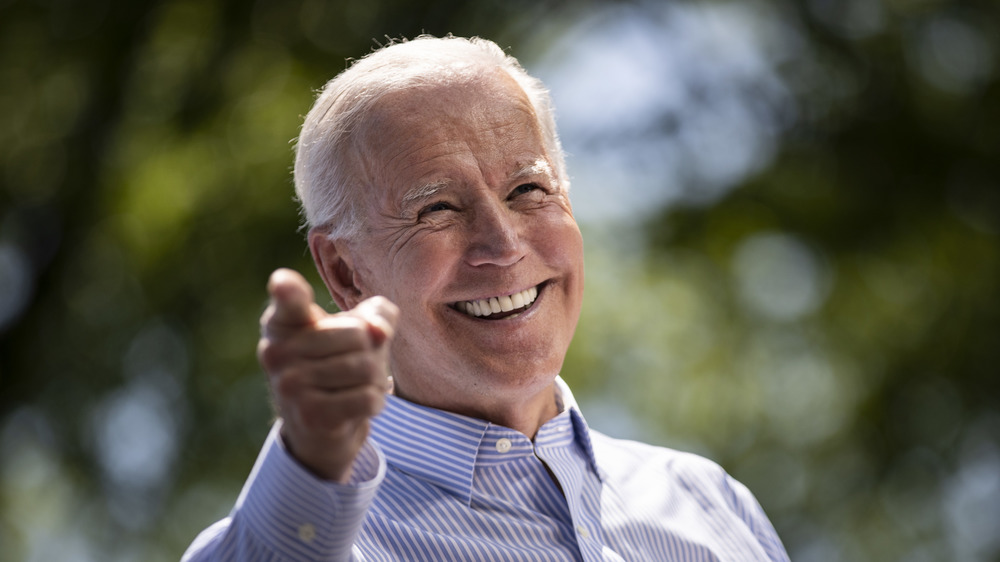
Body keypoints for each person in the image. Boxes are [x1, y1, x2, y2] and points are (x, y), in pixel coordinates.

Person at [183, 35, 789, 561]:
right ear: (345, 272)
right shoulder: (319, 541)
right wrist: (310, 462)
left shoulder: (711, 503)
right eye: (436, 208)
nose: (502, 245)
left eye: (528, 189)